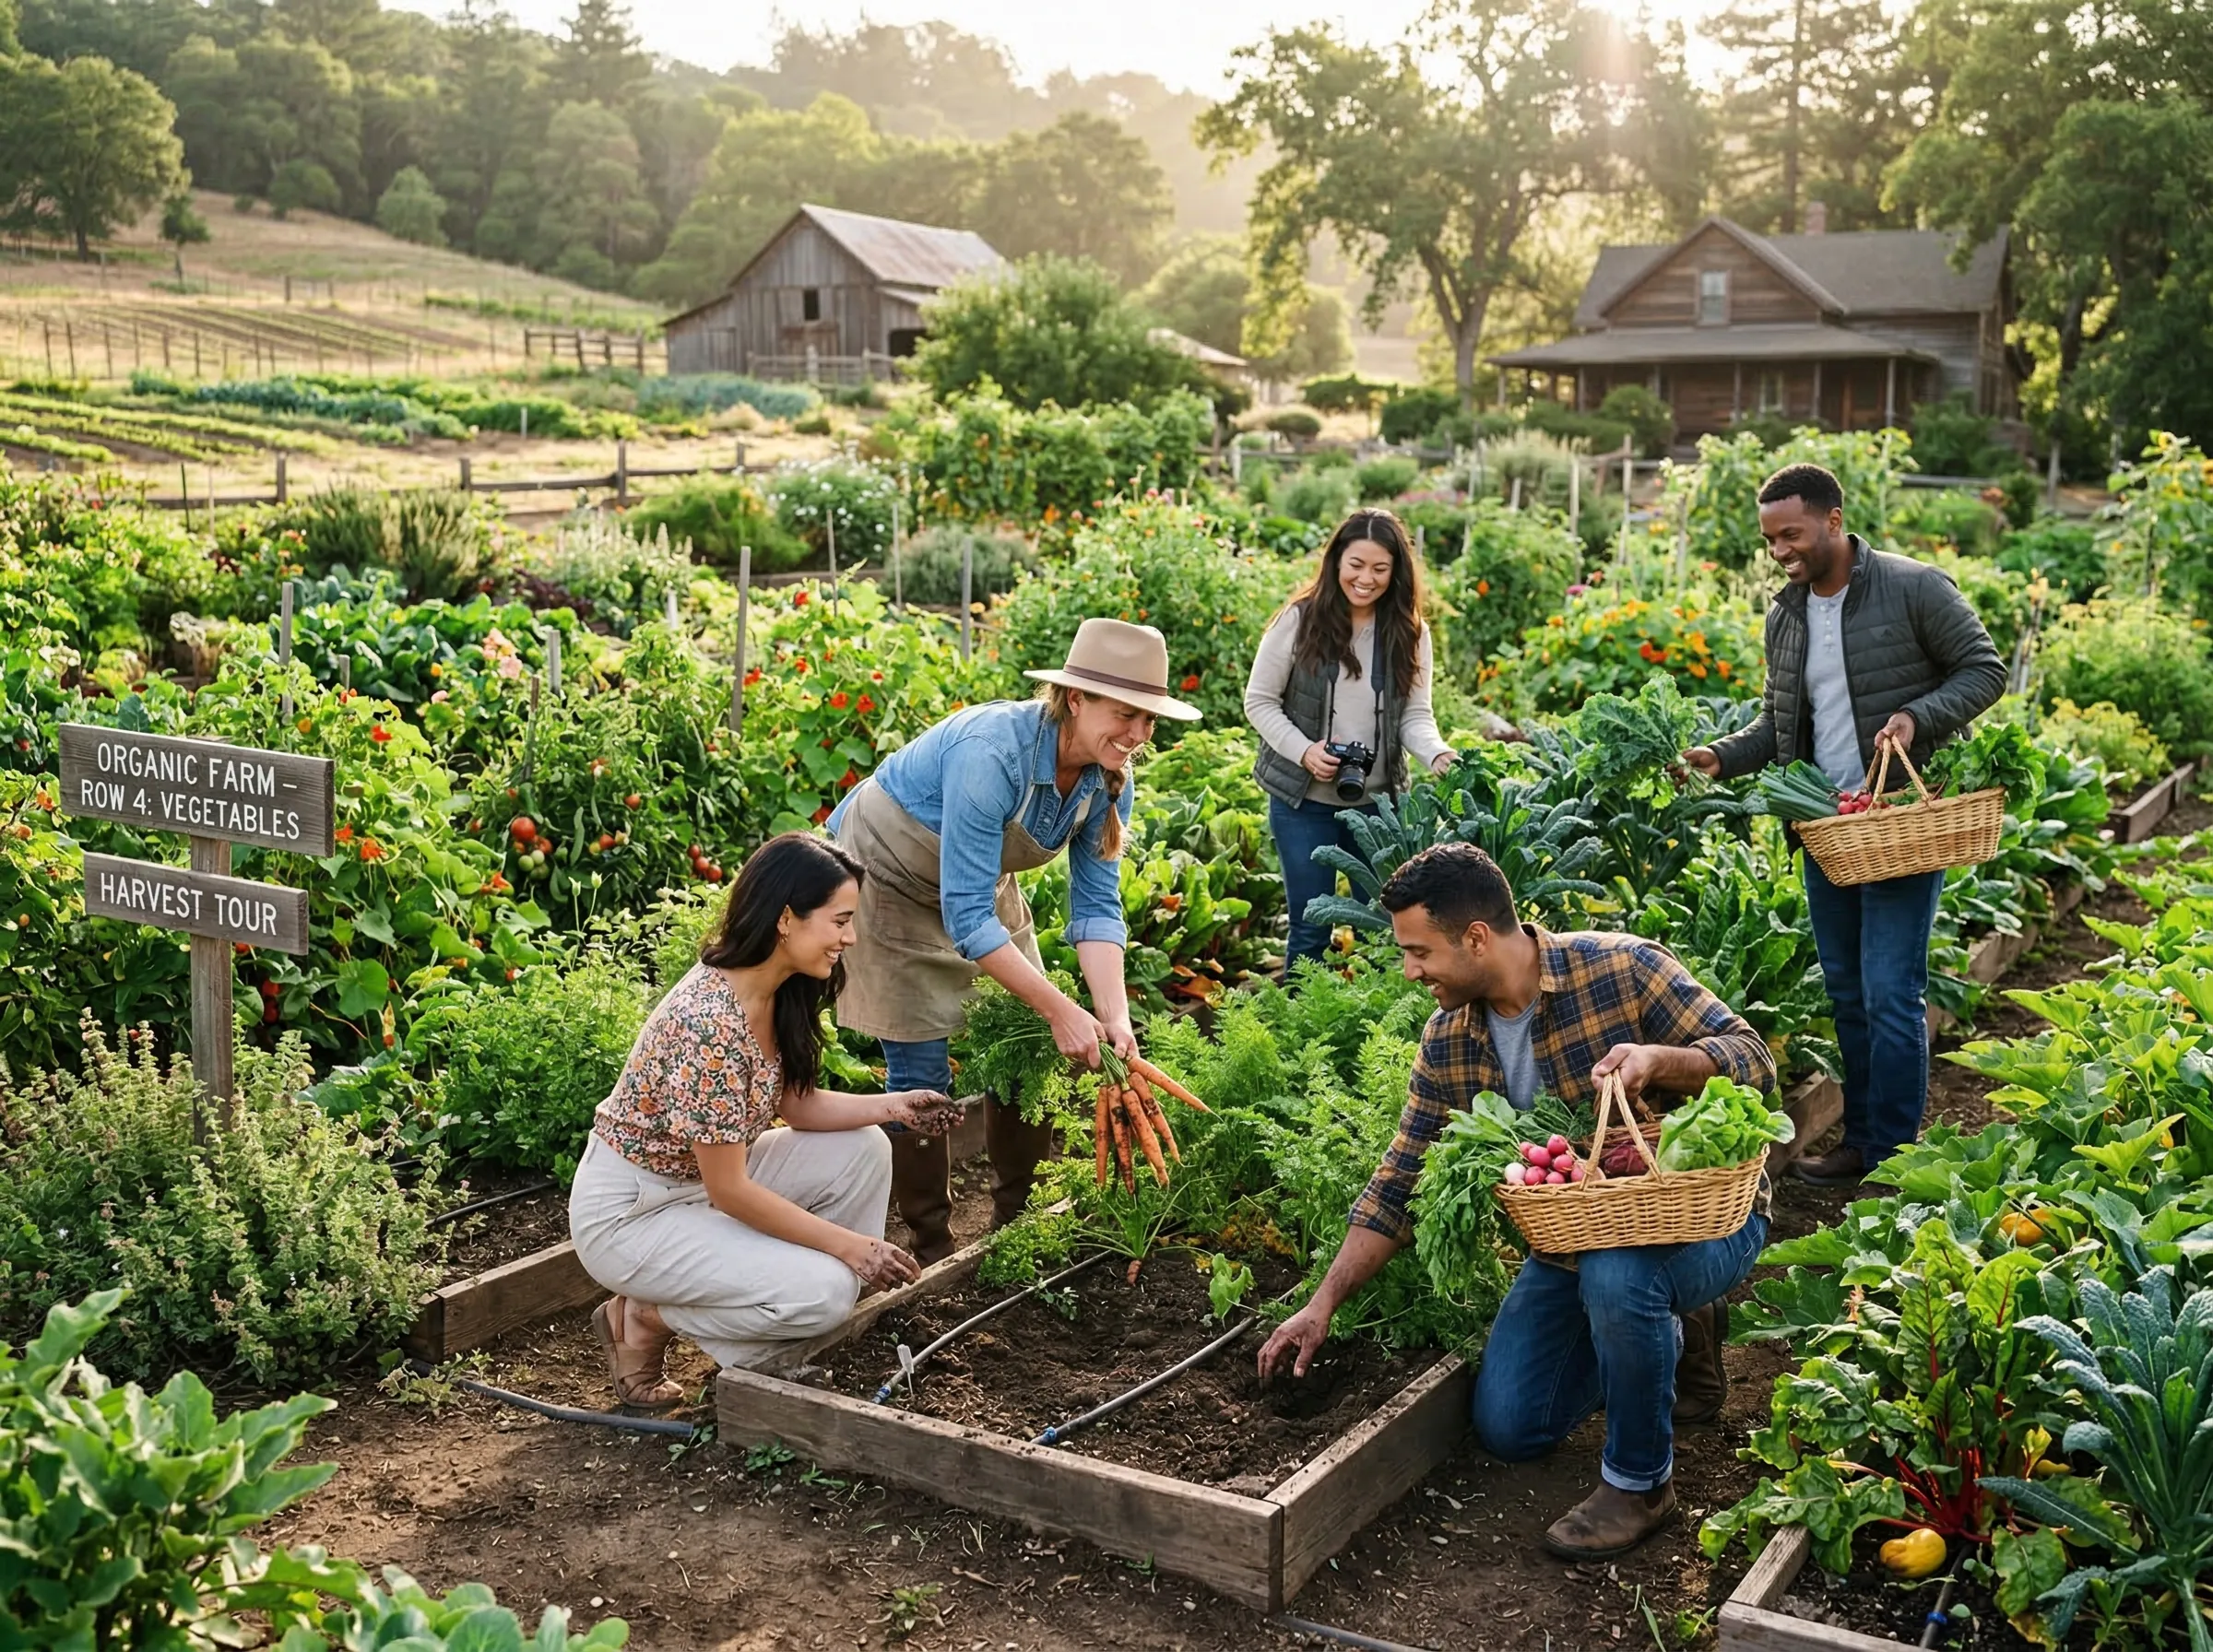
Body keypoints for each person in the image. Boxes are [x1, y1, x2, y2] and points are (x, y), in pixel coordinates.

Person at [1255, 842, 1777, 1559]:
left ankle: (1640, 1484)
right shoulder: (1448, 1040)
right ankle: (1669, 1334)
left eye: (1418, 952)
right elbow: (1401, 1180)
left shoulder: (1623, 968)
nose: (1409, 972)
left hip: (1705, 1220)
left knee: (1621, 1276)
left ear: (1476, 938)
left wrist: (1660, 1060)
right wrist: (1322, 1304)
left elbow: (1754, 1060)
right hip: (1572, 1243)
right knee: (1511, 1428)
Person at [827, 618, 1202, 1263]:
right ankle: (933, 1247)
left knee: (1026, 1050)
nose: (1139, 734)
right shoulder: (992, 754)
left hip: (974, 882)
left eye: (1149, 719)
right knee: (921, 1070)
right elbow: (969, 917)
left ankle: (1015, 1225)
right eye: (1126, 714)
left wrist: (1113, 1017)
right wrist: (1061, 1009)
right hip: (889, 879)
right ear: (1076, 699)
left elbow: (1096, 908)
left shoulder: (1109, 777)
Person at [1682, 463, 2004, 1186]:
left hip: (1897, 823)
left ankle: (1894, 1158)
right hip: (1829, 830)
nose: (1780, 551)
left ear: (1833, 520)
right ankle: (1861, 1142)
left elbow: (1984, 669)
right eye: (1769, 540)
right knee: (1849, 998)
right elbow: (1778, 723)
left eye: (1791, 535)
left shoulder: (1914, 587)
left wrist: (1917, 716)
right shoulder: (1787, 614)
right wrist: (1720, 757)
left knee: (1891, 994)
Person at [569, 833, 965, 1410]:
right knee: (825, 1291)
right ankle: (648, 1317)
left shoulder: (776, 990)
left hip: (697, 1185)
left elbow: (794, 1105)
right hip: (635, 1213)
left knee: (865, 1147)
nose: (850, 937)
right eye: (840, 921)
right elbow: (730, 1191)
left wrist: (894, 1106)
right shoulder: (708, 1023)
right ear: (785, 919)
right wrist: (851, 1248)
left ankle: (792, 1325)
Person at [1245, 507, 1456, 972]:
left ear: (1396, 572)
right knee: (1310, 927)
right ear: (1336, 560)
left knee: (1384, 929)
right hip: (1303, 802)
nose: (1366, 579)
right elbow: (1259, 701)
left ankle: (1378, 1017)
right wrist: (1305, 751)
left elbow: (1414, 715)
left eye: (1380, 568)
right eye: (1356, 565)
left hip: (1379, 807)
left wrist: (1437, 754)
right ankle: (1301, 1014)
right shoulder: (1299, 621)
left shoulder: (1409, 632)